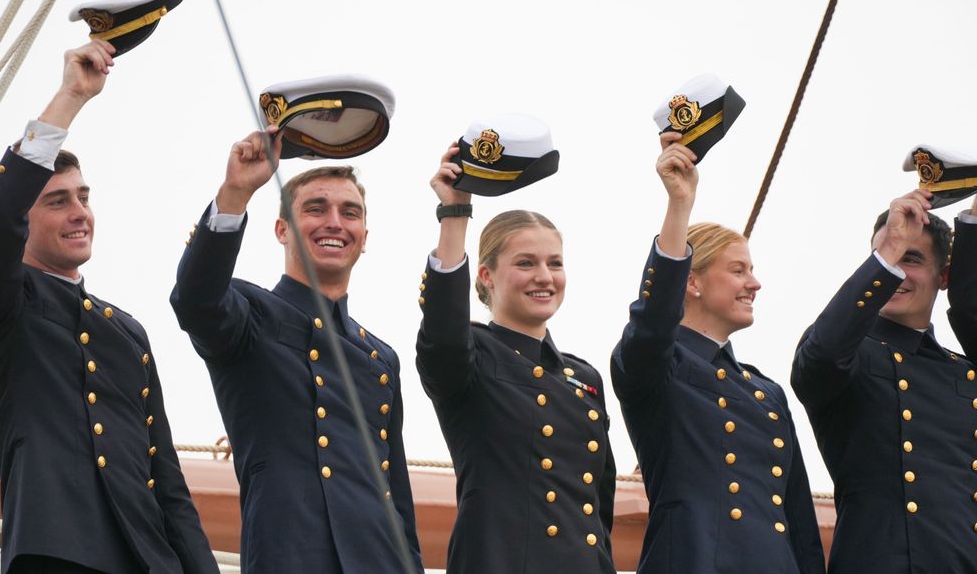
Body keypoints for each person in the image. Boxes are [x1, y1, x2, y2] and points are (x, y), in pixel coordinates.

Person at [0, 41, 217, 573]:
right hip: (55, 553)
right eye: (57, 200)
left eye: (84, 197)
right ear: (24, 221)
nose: (80, 212)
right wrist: (71, 96)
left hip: (150, 560)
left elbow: (167, 483)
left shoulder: (126, 333)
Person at [170, 127, 423, 573]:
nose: (334, 223)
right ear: (281, 229)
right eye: (315, 209)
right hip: (291, 557)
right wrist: (236, 192)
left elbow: (396, 496)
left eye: (350, 212)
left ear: (364, 235)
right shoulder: (250, 316)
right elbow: (195, 298)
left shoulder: (380, 357)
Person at [610, 133, 825, 573]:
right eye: (738, 270)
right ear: (692, 282)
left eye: (752, 269)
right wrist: (679, 207)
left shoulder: (766, 392)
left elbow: (798, 521)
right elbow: (651, 326)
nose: (755, 283)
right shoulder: (657, 367)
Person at [415, 143, 617, 573]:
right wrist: (455, 215)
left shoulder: (584, 377)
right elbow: (444, 334)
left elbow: (599, 508)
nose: (544, 276)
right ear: (486, 276)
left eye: (555, 263)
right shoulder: (471, 353)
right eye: (525, 263)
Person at [791, 187, 977, 573]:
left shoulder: (964, 372)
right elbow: (819, 359)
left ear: (944, 276)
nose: (897, 273)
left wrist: (972, 226)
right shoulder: (850, 354)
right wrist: (890, 249)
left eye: (912, 259)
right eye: (888, 257)